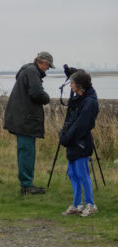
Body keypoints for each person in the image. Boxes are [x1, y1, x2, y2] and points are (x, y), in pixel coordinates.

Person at [3, 52, 54, 195]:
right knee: (26, 152)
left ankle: (27, 184)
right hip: (25, 120)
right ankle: (26, 185)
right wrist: (47, 98)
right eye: (48, 66)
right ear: (42, 62)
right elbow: (37, 92)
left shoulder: (28, 70)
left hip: (21, 118)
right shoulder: (32, 71)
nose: (48, 69)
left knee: (25, 151)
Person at [59, 70, 99, 217]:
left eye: (72, 83)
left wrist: (67, 137)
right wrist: (63, 133)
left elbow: (82, 124)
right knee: (72, 173)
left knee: (82, 173)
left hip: (81, 142)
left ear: (79, 85)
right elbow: (71, 120)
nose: (70, 85)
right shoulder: (79, 98)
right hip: (72, 141)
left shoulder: (90, 102)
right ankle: (77, 204)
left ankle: (91, 204)